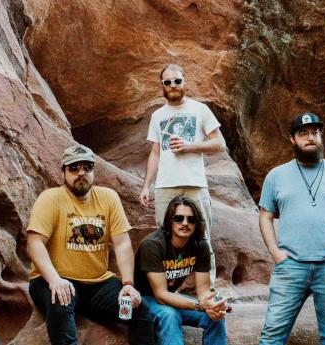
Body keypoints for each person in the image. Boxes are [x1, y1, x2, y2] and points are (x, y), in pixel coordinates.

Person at [26, 144, 155, 345]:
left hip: (97, 284)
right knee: (61, 300)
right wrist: (54, 280)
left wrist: (128, 284)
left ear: (94, 171)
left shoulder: (108, 198)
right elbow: (34, 243)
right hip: (55, 279)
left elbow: (121, 244)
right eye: (74, 168)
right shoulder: (50, 198)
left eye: (87, 167)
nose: (81, 173)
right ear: (63, 172)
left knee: (139, 309)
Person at [258, 112, 325, 345]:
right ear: (292, 139)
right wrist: (275, 253)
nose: (310, 138)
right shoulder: (276, 176)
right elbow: (265, 216)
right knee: (271, 337)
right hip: (290, 267)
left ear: (321, 136)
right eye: (303, 133)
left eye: (315, 133)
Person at [139, 64, 227, 286]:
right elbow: (155, 152)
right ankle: (166, 292)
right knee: (164, 238)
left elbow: (219, 144)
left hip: (194, 183)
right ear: (162, 86)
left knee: (202, 237)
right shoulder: (157, 115)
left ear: (184, 82)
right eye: (167, 82)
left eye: (177, 81)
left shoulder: (199, 109)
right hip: (166, 186)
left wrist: (190, 146)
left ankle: (208, 292)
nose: (173, 86)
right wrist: (146, 185)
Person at [135, 196, 228, 345]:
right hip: (144, 299)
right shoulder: (152, 245)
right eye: (179, 218)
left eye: (191, 219)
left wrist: (213, 305)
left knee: (214, 316)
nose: (185, 223)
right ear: (170, 221)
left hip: (170, 297)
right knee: (169, 315)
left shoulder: (200, 245)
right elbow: (161, 295)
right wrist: (199, 305)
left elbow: (203, 291)